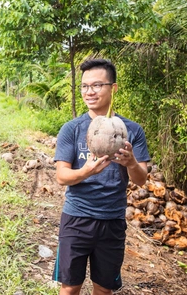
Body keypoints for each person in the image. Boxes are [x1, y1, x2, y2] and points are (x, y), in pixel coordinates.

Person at [52, 59, 150, 295]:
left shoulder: (131, 130)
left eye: (96, 85)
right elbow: (61, 176)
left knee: (104, 290)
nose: (89, 92)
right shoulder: (72, 128)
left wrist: (131, 163)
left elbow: (141, 179)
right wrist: (87, 171)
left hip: (112, 221)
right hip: (76, 218)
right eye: (84, 86)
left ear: (113, 88)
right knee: (69, 288)